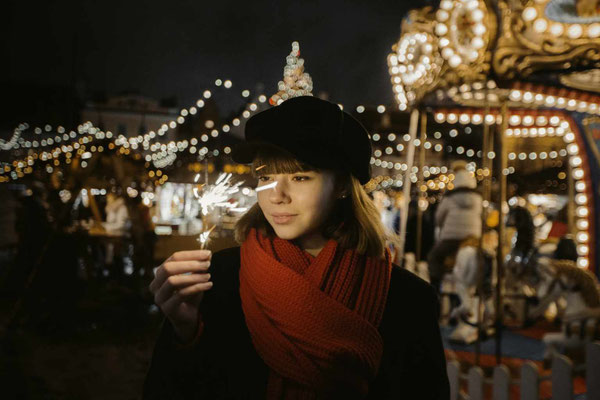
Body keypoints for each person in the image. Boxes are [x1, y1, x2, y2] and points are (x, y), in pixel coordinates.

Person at [143, 96, 449, 399]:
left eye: (300, 176)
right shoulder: (217, 278)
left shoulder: (408, 300)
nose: (277, 195)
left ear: (342, 185)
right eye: (265, 176)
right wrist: (184, 333)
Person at [427, 162, 482, 293]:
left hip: (452, 238)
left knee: (434, 257)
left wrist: (441, 226)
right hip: (473, 237)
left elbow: (439, 218)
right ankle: (481, 288)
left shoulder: (450, 197)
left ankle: (435, 288)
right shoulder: (478, 197)